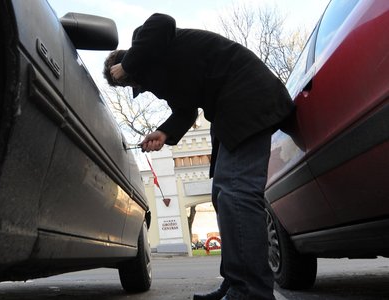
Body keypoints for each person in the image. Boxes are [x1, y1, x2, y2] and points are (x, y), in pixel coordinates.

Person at [104, 13, 294, 300]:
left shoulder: (150, 39)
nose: (135, 89)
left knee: (237, 194)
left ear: (126, 67)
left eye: (128, 83)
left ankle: (251, 292)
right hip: (228, 111)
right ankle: (235, 282)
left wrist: (126, 65)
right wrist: (164, 133)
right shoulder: (156, 72)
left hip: (247, 97)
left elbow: (163, 21)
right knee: (222, 195)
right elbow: (186, 109)